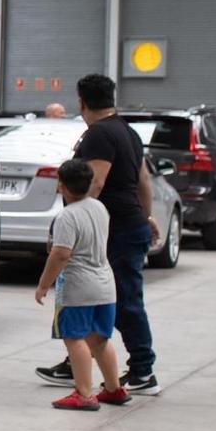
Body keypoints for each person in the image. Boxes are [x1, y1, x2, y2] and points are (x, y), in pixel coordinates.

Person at [35, 75, 160, 394]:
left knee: (124, 301)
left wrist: (70, 222)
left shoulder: (99, 134)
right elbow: (143, 182)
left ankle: (143, 371)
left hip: (116, 230)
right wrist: (146, 216)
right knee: (89, 296)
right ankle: (76, 362)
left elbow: (96, 183)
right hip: (126, 225)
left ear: (81, 103)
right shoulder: (127, 131)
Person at [35, 159, 128, 411]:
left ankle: (84, 393)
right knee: (100, 339)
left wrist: (44, 284)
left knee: (75, 339)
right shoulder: (99, 207)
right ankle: (113, 388)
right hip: (105, 286)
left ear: (61, 185)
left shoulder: (67, 216)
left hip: (79, 289)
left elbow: (61, 254)